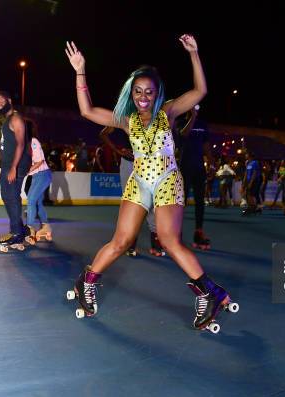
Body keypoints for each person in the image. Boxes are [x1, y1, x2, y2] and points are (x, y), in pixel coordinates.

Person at [65, 35, 235, 329]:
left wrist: (194, 54)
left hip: (168, 178)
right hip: (139, 180)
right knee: (121, 241)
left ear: (157, 93)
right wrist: (80, 70)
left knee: (169, 240)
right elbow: (87, 111)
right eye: (138, 91)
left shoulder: (167, 111)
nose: (143, 96)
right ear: (131, 93)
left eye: (149, 91)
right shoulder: (126, 119)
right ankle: (87, 282)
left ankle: (209, 292)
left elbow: (200, 90)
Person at [98, 126, 164, 256]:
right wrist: (118, 151)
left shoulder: (152, 115)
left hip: (149, 164)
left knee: (151, 201)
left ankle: (155, 242)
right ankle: (130, 243)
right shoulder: (123, 117)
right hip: (129, 164)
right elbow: (103, 134)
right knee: (130, 203)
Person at [0, 91, 33, 251]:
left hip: (16, 165)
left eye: (0, 100)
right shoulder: (8, 119)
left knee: (11, 196)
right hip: (9, 164)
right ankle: (21, 230)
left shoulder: (16, 118)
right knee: (8, 196)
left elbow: (21, 144)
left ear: (9, 100)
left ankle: (17, 233)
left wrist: (14, 168)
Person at [177, 105, 212, 249]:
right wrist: (192, 118)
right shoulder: (179, 123)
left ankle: (198, 233)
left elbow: (206, 145)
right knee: (181, 202)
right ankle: (176, 235)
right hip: (184, 167)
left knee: (200, 202)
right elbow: (183, 134)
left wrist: (211, 163)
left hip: (199, 168)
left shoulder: (203, 124)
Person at [25, 120, 53, 241]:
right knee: (37, 202)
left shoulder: (33, 141)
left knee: (31, 200)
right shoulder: (25, 143)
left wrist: (27, 170)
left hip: (42, 174)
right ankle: (46, 227)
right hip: (38, 176)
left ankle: (29, 228)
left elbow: (40, 161)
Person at [241, 151, 262, 215]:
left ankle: (254, 208)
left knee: (250, 194)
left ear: (249, 155)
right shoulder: (248, 163)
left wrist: (251, 182)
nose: (245, 156)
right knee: (247, 194)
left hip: (254, 181)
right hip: (248, 181)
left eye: (246, 154)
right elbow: (246, 173)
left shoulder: (255, 163)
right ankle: (252, 207)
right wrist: (244, 183)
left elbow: (254, 173)